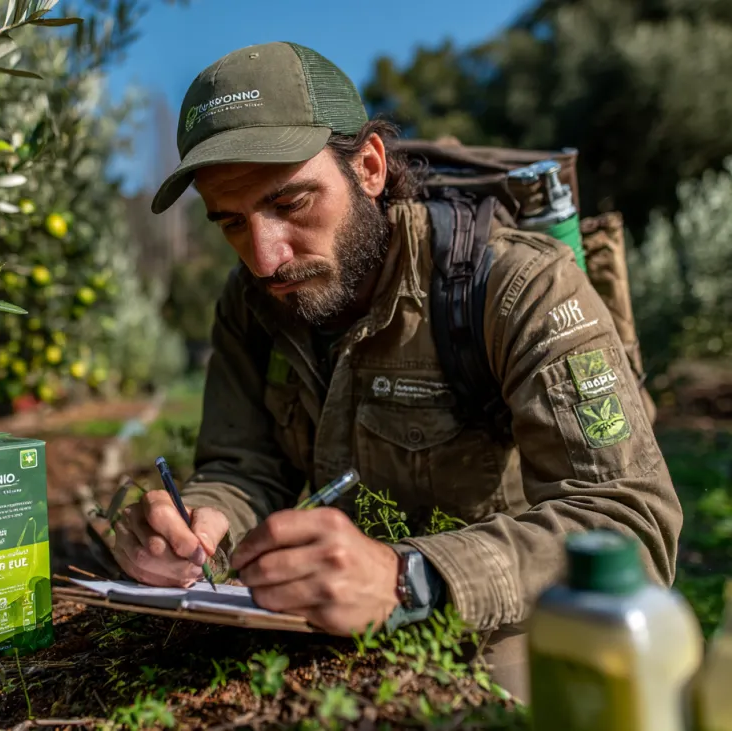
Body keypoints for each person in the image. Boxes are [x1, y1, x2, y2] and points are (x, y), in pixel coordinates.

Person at [109, 42, 682, 699]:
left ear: (371, 167)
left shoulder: (516, 286)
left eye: (290, 203)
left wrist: (408, 577)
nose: (265, 258)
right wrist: (199, 524)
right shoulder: (251, 305)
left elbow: (629, 521)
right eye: (231, 223)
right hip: (320, 622)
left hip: (505, 618)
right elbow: (243, 469)